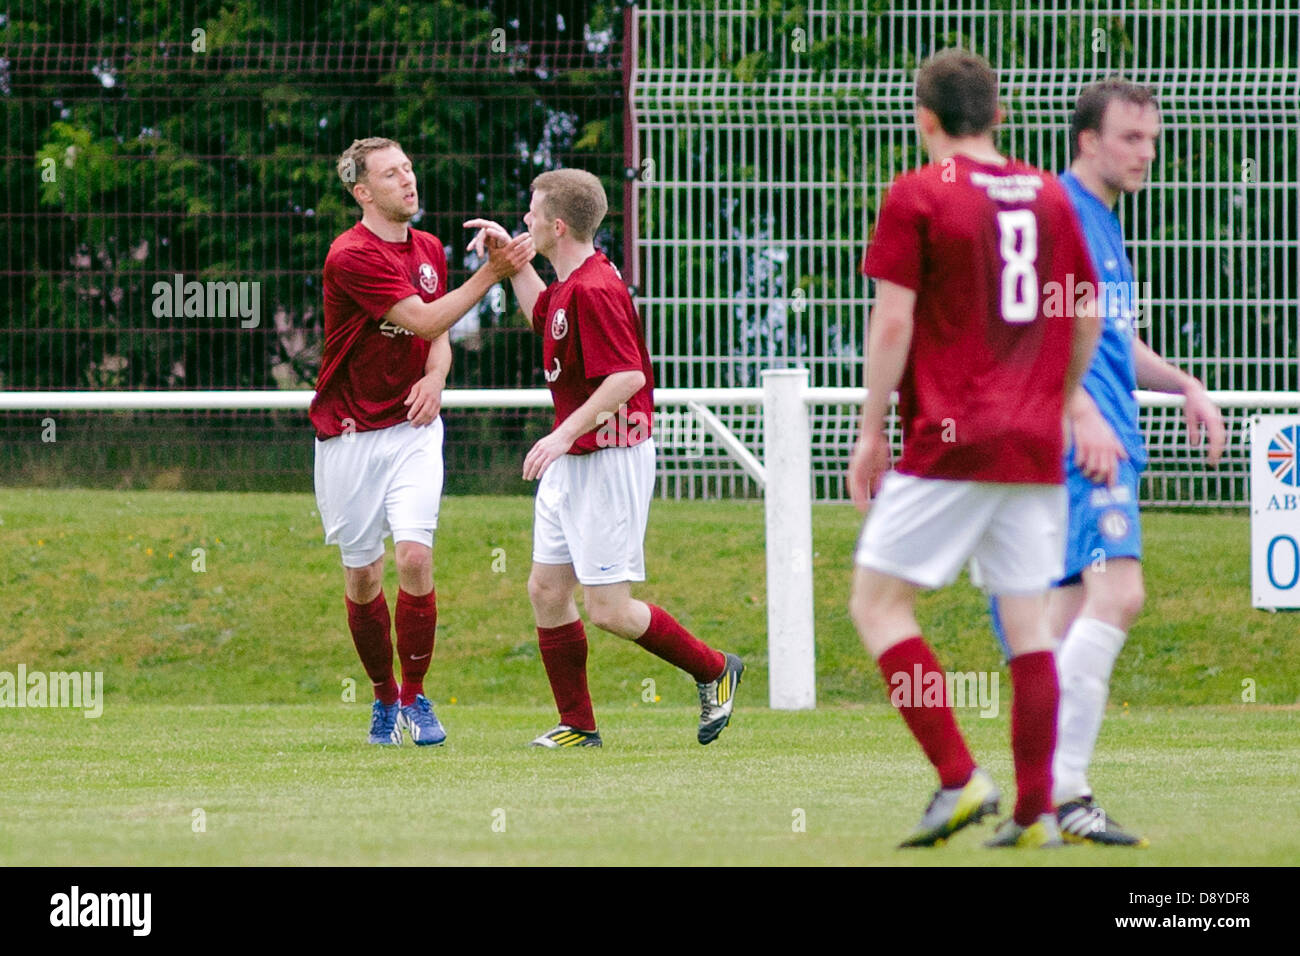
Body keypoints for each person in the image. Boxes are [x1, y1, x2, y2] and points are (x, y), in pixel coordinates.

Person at [848, 49, 1102, 848]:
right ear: (998, 115)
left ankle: (959, 778)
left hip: (952, 438)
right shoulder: (1052, 196)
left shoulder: (920, 192)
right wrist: (1058, 404)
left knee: (879, 603)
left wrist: (869, 428)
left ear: (923, 117)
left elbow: (893, 322)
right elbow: (1087, 313)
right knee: (1029, 623)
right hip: (1032, 443)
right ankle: (1034, 814)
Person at [464, 169, 743, 748]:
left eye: (532, 213)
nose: (524, 221)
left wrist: (562, 434)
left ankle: (715, 669)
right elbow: (546, 317)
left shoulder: (595, 288)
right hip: (576, 457)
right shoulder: (572, 281)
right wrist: (514, 265)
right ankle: (578, 725)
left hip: (608, 459)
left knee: (610, 610)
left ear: (557, 224)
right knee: (545, 591)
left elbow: (627, 376)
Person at [1034, 79, 1225, 845]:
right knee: (1122, 595)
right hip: (1086, 446)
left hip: (1102, 440)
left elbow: (1109, 340)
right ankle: (1063, 791)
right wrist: (1081, 414)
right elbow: (1039, 338)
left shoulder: (1105, 225)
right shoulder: (1063, 216)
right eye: (1130, 138)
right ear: (1088, 139)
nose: (1146, 152)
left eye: (1151, 138)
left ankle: (1035, 787)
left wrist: (1184, 383)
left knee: (1065, 615)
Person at [311, 137, 533, 746]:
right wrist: (493, 271)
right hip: (350, 433)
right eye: (391, 174)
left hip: (413, 430)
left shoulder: (429, 248)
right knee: (363, 575)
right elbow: (428, 318)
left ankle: (415, 696)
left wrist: (435, 377)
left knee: (413, 557)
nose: (408, 180)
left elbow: (438, 334)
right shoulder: (350, 256)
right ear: (363, 192)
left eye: (408, 168)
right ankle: (383, 698)